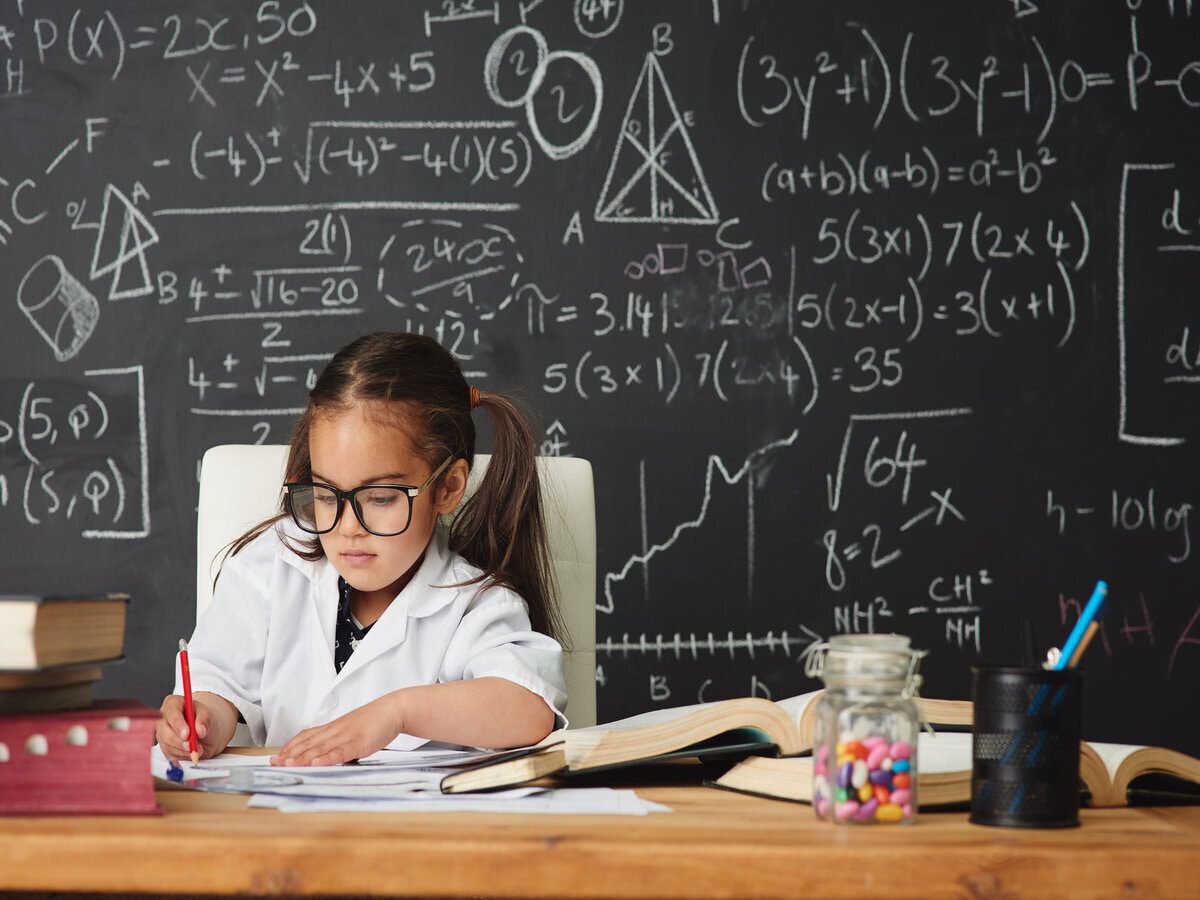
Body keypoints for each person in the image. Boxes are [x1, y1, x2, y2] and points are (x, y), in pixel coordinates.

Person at [155, 331, 568, 766]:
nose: (349, 527)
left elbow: (528, 708)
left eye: (381, 498)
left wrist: (397, 713)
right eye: (328, 495)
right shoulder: (272, 566)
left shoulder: (472, 602)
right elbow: (216, 686)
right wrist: (202, 722)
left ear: (447, 488)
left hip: (409, 830)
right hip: (280, 826)